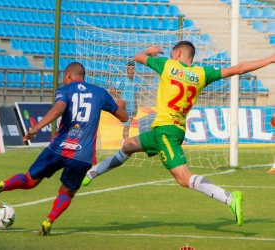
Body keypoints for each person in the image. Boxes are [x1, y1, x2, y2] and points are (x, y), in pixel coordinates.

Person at [82, 41, 275, 227]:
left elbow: (138, 57)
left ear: (179, 54)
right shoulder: (202, 73)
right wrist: (270, 59)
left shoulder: (168, 65)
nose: (171, 56)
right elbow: (239, 68)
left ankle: (229, 198)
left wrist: (149, 50)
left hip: (165, 131)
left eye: (173, 54)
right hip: (173, 130)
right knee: (128, 145)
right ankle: (93, 172)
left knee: (183, 178)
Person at [0, 62, 128, 236]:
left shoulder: (65, 90)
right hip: (82, 154)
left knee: (30, 180)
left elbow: (58, 109)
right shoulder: (100, 92)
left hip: (58, 147)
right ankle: (49, 220)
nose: (63, 79)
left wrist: (36, 128)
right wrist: (121, 105)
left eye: (64, 76)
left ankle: (1, 185)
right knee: (67, 191)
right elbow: (124, 116)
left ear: (69, 75)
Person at [110, 61, 142, 139]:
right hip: (126, 107)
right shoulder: (123, 80)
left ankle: (125, 144)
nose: (131, 71)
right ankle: (125, 145)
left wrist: (136, 106)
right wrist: (121, 100)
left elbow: (134, 95)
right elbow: (112, 89)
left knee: (128, 127)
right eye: (129, 69)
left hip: (133, 107)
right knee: (126, 127)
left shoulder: (136, 82)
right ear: (127, 70)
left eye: (133, 69)